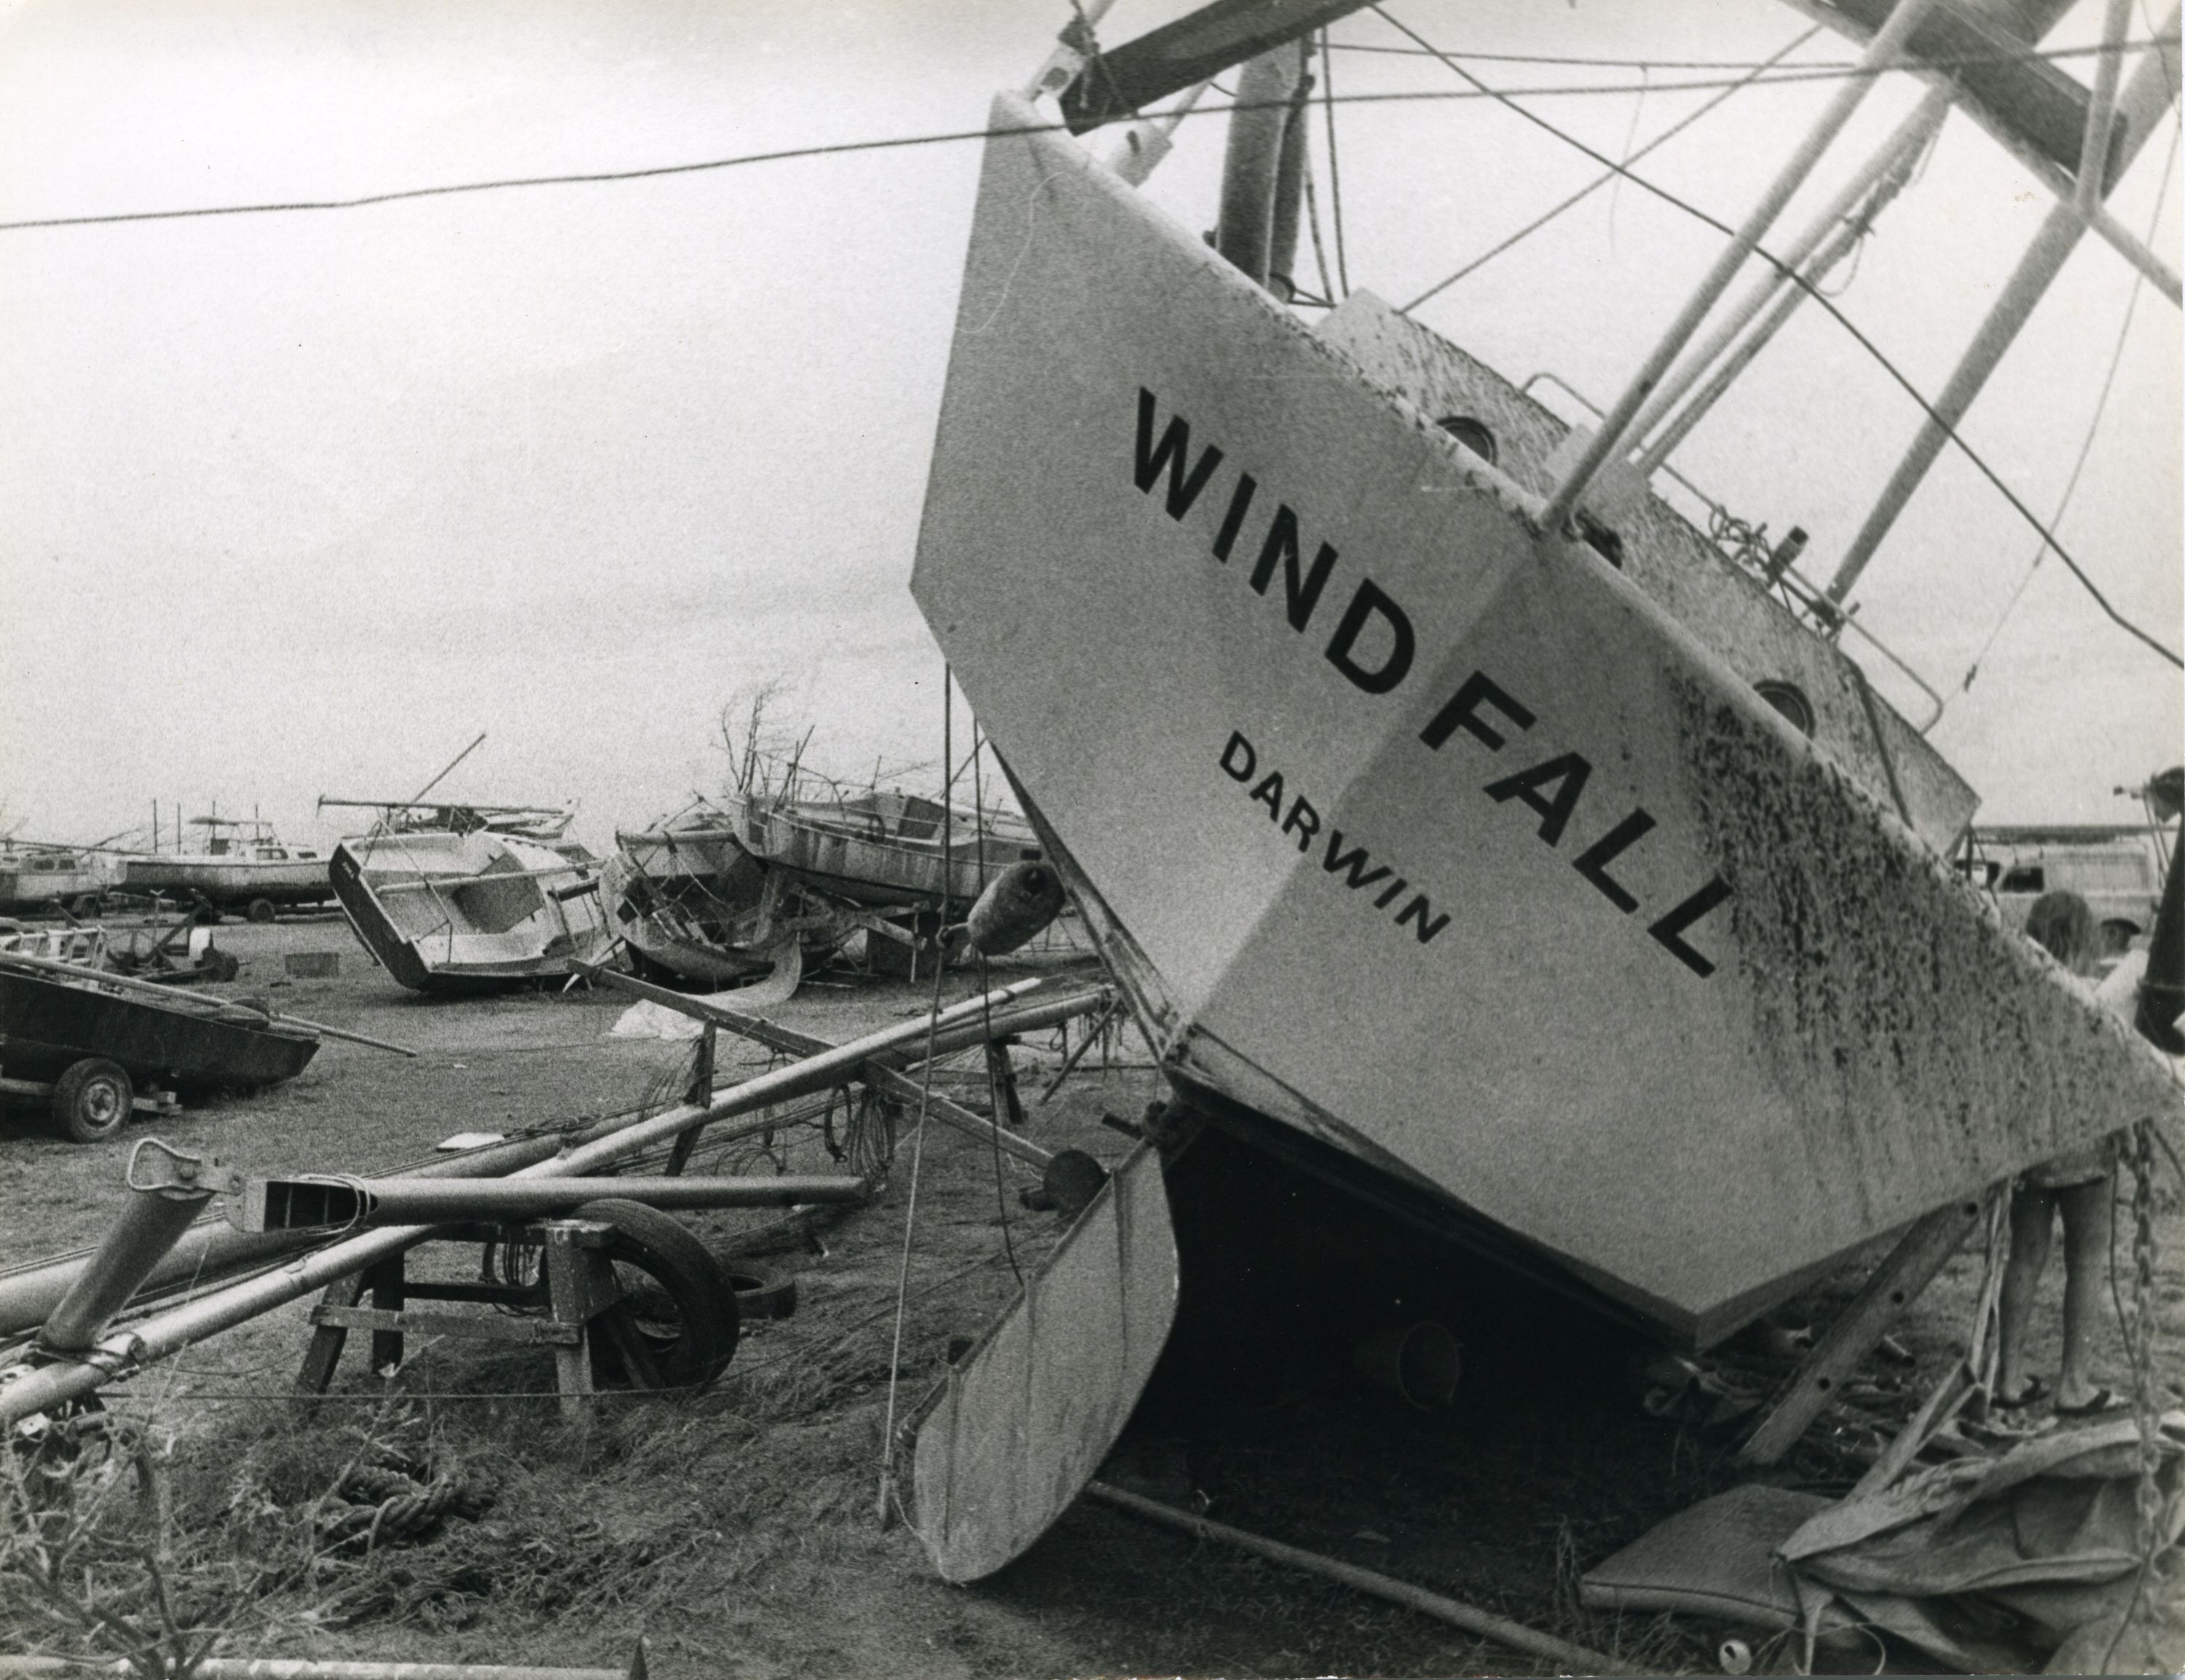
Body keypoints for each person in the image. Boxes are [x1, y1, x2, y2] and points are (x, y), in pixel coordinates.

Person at [1993, 890, 2120, 1416]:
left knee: (2023, 1255)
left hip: (2033, 1147)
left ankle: (2009, 1377)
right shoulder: (2100, 994)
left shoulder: (2018, 991)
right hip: (2089, 1146)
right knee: (2087, 1259)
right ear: (2087, 936)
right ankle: (2073, 1382)